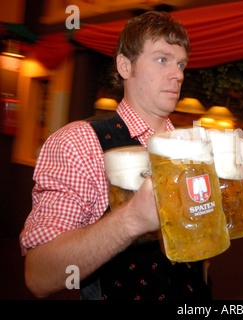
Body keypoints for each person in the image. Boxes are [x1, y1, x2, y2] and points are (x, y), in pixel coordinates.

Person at [20, 11, 210, 300]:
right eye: (162, 59)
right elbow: (39, 275)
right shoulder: (80, 142)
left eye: (181, 63)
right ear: (124, 65)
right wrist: (130, 220)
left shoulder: (189, 146)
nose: (178, 74)